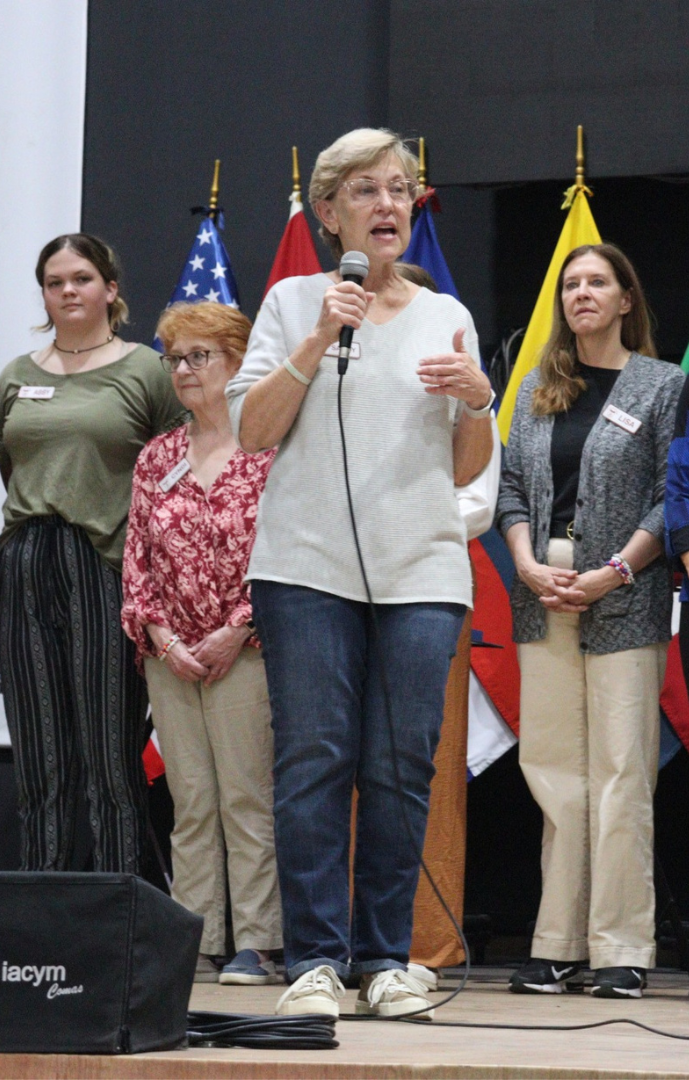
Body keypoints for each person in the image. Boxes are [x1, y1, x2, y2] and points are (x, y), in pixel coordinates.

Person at [225, 127, 494, 1019]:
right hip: (305, 568)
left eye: (401, 188)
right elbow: (255, 433)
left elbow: (464, 469)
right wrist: (315, 341)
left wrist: (478, 403)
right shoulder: (292, 302)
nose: (389, 204)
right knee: (312, 762)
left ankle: (384, 960)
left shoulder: (443, 315)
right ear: (330, 208)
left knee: (396, 766)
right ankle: (312, 962)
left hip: (418, 570)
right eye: (369, 190)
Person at [497, 243, 684, 999]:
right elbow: (507, 484)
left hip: (626, 593)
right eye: (570, 284)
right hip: (542, 589)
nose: (579, 293)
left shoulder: (660, 384)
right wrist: (524, 560)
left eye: (595, 282)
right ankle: (557, 944)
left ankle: (619, 947)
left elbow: (673, 494)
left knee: (619, 774)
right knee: (551, 773)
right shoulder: (540, 386)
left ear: (623, 299)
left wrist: (616, 571)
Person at [0, 233, 185, 874]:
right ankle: (44, 912)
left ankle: (114, 911)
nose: (68, 292)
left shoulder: (145, 370)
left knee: (109, 755)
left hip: (106, 566)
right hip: (25, 564)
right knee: (40, 753)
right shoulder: (18, 376)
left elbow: (175, 474)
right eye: (55, 283)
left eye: (81, 279)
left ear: (110, 288)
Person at [122, 301, 282, 985]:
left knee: (246, 797)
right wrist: (159, 633)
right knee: (191, 802)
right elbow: (136, 558)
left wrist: (235, 629)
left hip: (244, 650)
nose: (183, 370)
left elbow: (285, 550)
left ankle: (257, 940)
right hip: (169, 655)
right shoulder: (157, 454)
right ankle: (197, 934)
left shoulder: (268, 448)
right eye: (174, 358)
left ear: (237, 360)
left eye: (198, 357)